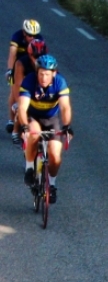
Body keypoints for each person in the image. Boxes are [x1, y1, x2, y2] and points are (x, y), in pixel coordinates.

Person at [17, 54, 73, 204]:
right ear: (37, 72)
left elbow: (65, 107)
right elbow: (22, 107)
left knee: (55, 155)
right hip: (33, 117)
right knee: (34, 135)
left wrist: (67, 127)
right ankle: (29, 168)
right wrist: (24, 127)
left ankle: (52, 184)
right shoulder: (29, 80)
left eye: (47, 74)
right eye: (41, 73)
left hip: (51, 119)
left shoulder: (60, 82)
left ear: (53, 73)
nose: (43, 77)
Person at [6, 19, 42, 133]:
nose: (32, 37)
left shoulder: (39, 38)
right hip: (18, 65)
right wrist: (9, 70)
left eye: (34, 35)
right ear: (24, 32)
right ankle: (12, 120)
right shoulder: (17, 36)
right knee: (14, 90)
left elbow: (43, 54)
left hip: (31, 64)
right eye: (29, 35)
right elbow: (12, 54)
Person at [9, 38, 47, 144]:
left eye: (40, 56)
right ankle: (15, 130)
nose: (37, 59)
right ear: (30, 54)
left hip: (38, 82)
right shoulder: (21, 63)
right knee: (21, 107)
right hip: (23, 83)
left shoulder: (47, 62)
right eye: (34, 56)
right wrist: (18, 102)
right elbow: (18, 85)